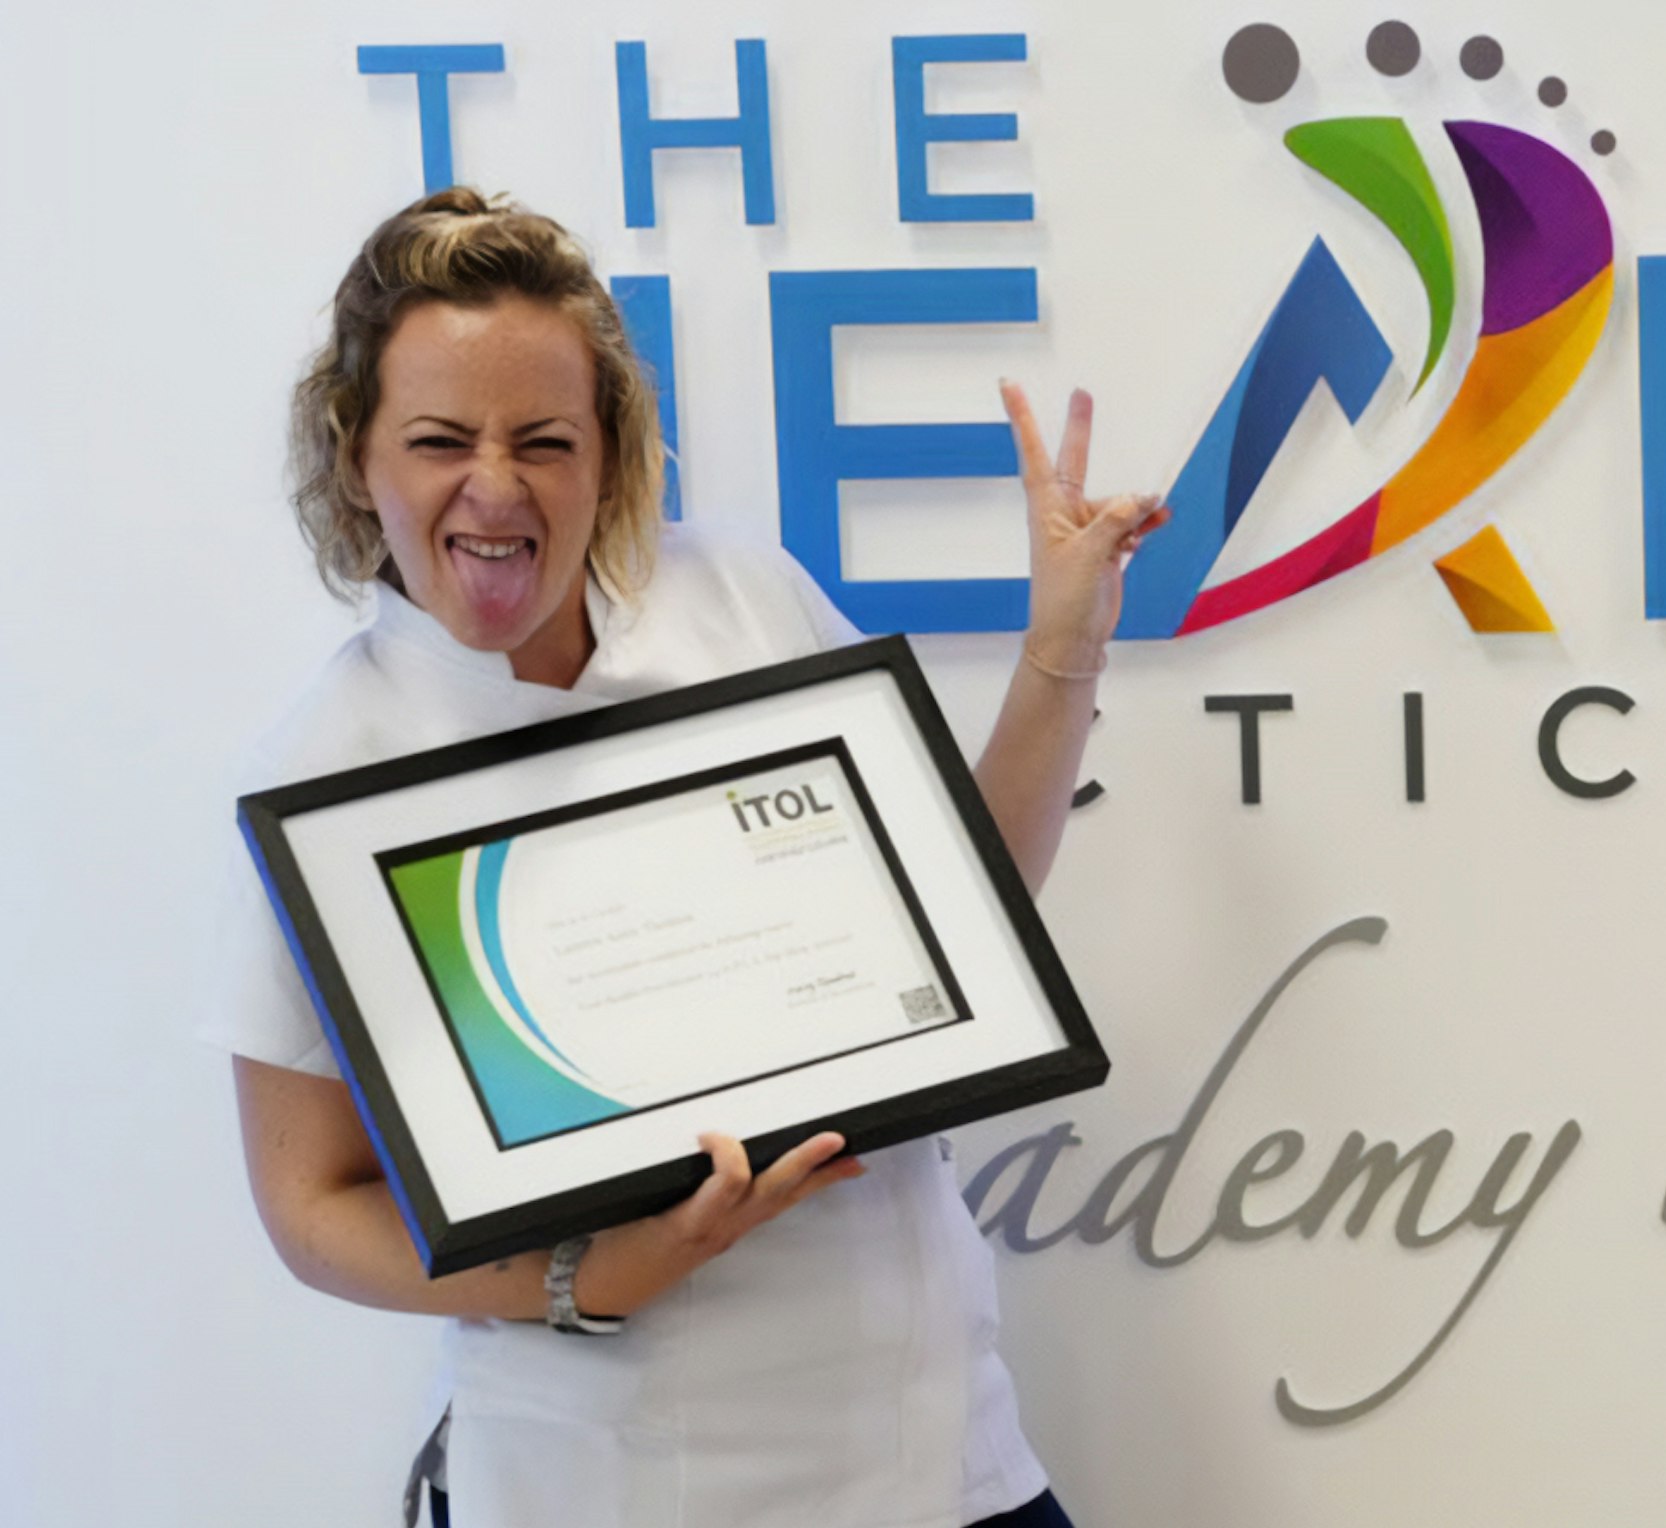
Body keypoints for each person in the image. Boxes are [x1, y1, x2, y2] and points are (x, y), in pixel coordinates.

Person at [204, 186, 1166, 1528]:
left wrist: (1060, 648)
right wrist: (594, 1277)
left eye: (546, 439)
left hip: (941, 1456)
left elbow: (969, 929)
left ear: (609, 455)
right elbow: (311, 1203)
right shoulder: (323, 772)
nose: (495, 487)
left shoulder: (741, 599)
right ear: (355, 456)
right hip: (607, 1480)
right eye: (438, 440)